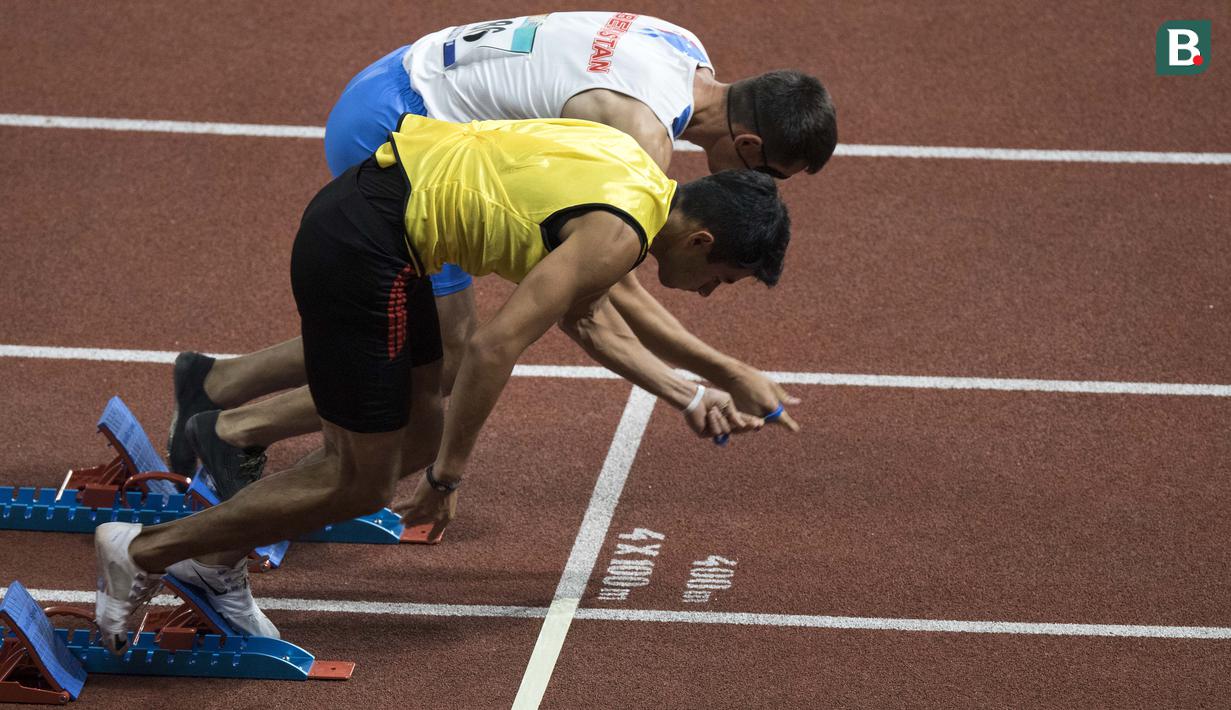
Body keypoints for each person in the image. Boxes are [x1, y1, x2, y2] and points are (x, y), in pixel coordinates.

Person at [94, 113, 793, 653]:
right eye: (720, 281)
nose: (705, 296)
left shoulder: (632, 174)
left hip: (381, 228)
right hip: (365, 250)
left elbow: (592, 321)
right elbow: (494, 347)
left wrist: (709, 382)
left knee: (418, 432)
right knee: (365, 482)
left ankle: (214, 559)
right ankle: (145, 550)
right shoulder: (617, 233)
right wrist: (450, 479)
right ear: (701, 240)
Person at [166, 11, 835, 499]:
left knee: (410, 330)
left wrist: (693, 387)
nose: (762, 186)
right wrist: (712, 376)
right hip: (402, 130)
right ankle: (236, 430)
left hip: (397, 72)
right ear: (748, 147)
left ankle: (217, 381)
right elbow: (594, 303)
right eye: (774, 172)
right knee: (452, 353)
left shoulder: (681, 48)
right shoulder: (639, 138)